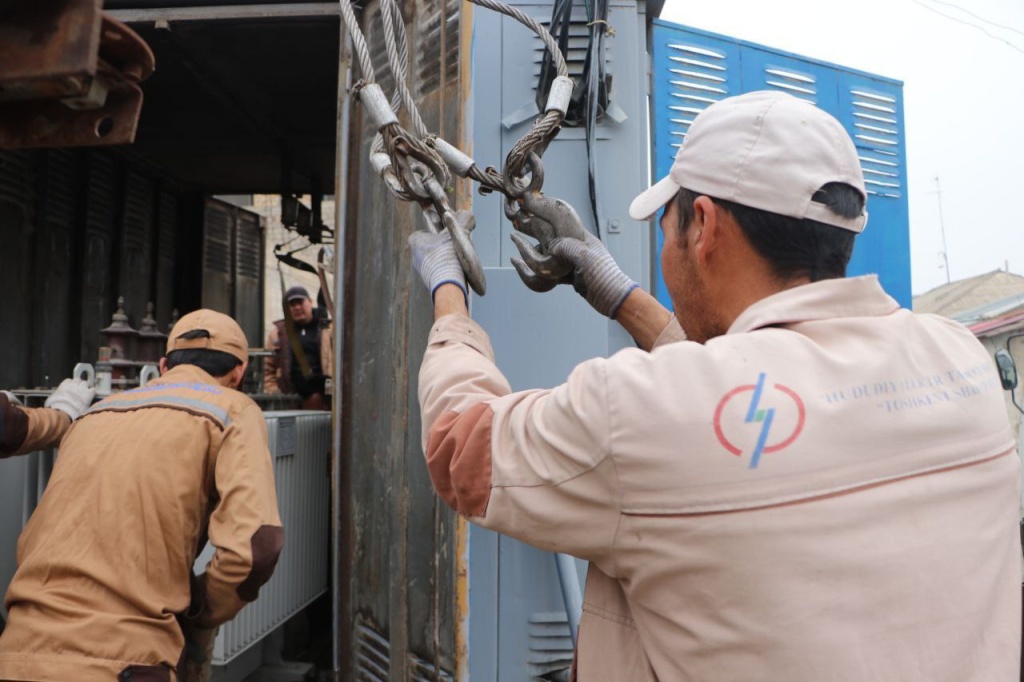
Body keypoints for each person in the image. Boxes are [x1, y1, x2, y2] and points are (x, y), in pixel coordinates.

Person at [408, 91, 1021, 680]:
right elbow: (732, 397)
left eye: (667, 229)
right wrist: (617, 293)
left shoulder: (634, 413)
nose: (667, 247)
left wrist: (447, 291)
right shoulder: (961, 361)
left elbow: (459, 447)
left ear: (703, 225)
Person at [0, 309, 284, 682]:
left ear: (164, 366)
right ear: (239, 374)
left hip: (17, 656)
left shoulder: (95, 413)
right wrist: (199, 608)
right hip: (129, 665)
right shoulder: (233, 410)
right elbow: (254, 549)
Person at [264, 285, 332, 410]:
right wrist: (274, 392)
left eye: (300, 302)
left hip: (323, 400)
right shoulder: (277, 333)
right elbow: (268, 368)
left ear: (310, 302)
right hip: (288, 401)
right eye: (292, 304)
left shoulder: (328, 329)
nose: (297, 307)